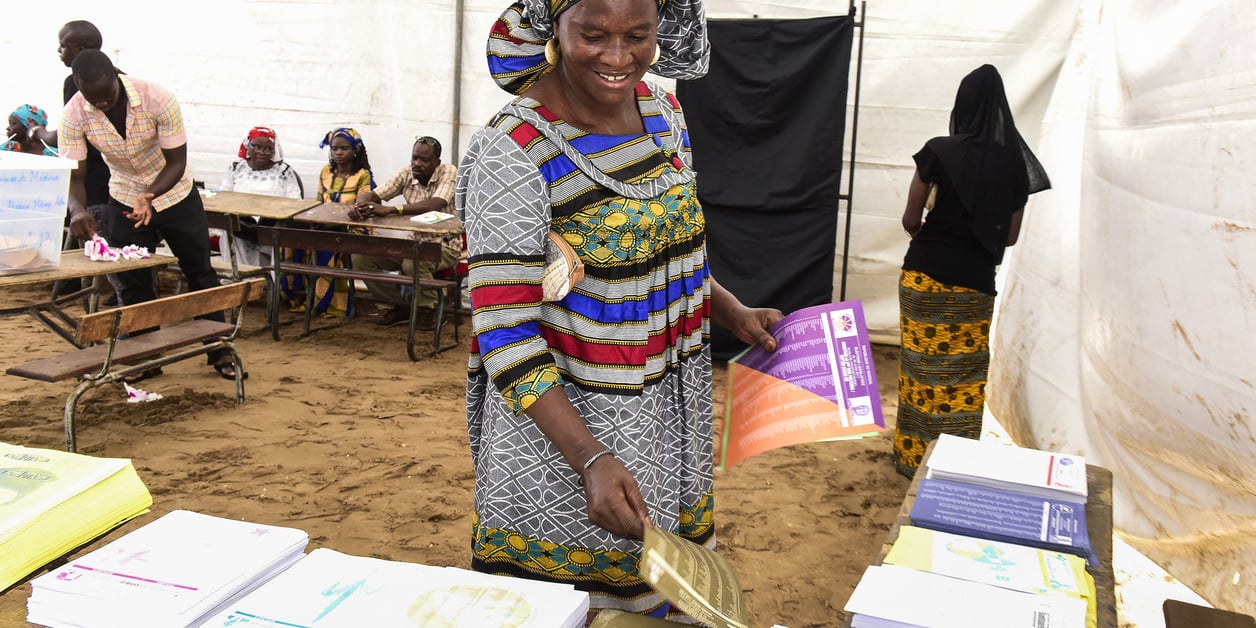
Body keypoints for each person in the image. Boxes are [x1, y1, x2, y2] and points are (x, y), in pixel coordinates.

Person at [456, 0, 781, 620]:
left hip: (664, 421)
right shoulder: (513, 150)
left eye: (638, 34)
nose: (617, 56)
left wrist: (729, 308)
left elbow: (665, 248)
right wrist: (591, 459)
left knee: (655, 595)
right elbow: (504, 330)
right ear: (554, 27)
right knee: (574, 610)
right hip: (564, 441)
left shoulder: (662, 111)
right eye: (593, 34)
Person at [893, 64, 1051, 478]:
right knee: (962, 376)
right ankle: (953, 463)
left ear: (962, 105)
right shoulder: (1014, 166)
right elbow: (1011, 237)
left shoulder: (938, 150)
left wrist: (931, 230)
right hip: (974, 284)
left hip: (924, 277)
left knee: (921, 369)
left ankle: (913, 459)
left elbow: (911, 218)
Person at [59, 50, 241, 382]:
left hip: (174, 193)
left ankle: (219, 349)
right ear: (79, 87)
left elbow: (176, 162)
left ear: (116, 75)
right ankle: (146, 357)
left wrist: (151, 196)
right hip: (124, 196)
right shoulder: (72, 115)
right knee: (132, 281)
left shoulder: (157, 98)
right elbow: (75, 175)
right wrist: (78, 209)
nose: (101, 104)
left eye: (106, 96)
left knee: (200, 274)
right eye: (92, 98)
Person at [349, 135, 461, 330]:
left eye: (424, 160)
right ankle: (397, 307)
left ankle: (430, 310)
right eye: (414, 157)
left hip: (445, 245)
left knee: (413, 262)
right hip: (414, 242)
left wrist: (393, 209)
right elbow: (375, 194)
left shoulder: (449, 172)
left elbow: (436, 203)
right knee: (361, 258)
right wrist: (360, 204)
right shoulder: (407, 173)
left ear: (437, 162)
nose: (417, 163)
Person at [278, 127, 372, 317]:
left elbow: (362, 208)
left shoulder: (362, 174)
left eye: (344, 148)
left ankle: (324, 303)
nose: (338, 152)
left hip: (352, 228)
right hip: (325, 224)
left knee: (324, 247)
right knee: (290, 238)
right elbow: (319, 203)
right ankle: (299, 295)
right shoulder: (326, 172)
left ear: (356, 150)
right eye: (334, 148)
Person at [219, 126, 303, 267]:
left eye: (268, 149)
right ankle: (240, 277)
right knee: (229, 227)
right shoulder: (236, 168)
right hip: (241, 225)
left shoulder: (284, 171)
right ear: (247, 145)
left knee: (276, 231)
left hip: (271, 225)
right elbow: (224, 197)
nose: (262, 153)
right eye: (256, 147)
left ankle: (267, 279)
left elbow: (295, 202)